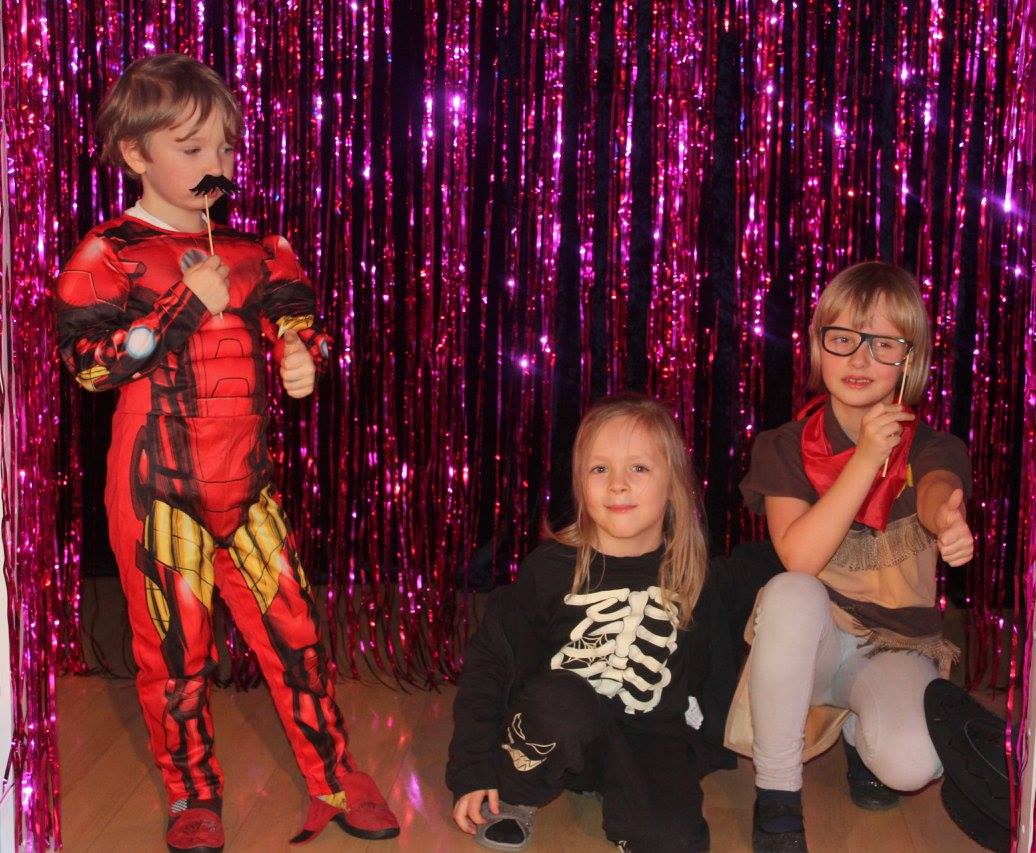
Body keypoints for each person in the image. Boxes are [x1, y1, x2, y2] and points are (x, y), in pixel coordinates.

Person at [55, 54, 399, 853]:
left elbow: (302, 324)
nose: (217, 165)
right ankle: (192, 794)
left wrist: (305, 355)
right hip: (155, 487)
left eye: (226, 148)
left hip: (247, 485)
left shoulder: (256, 249)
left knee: (297, 633)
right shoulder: (107, 251)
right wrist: (181, 305)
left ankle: (336, 776)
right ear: (135, 152)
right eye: (192, 148)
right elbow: (90, 364)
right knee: (174, 651)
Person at [447, 394, 780, 852]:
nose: (618, 485)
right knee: (559, 700)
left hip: (652, 739)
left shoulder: (697, 576)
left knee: (675, 841)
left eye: (639, 468)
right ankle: (519, 793)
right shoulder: (550, 569)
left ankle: (629, 802)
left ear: (673, 486)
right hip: (557, 729)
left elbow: (786, 555)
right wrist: (473, 769)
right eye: (599, 469)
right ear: (580, 485)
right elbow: (490, 663)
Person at [737, 261, 974, 851]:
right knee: (790, 592)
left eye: (884, 344)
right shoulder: (784, 447)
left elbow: (938, 487)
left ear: (910, 359)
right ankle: (778, 796)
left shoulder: (933, 445)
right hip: (811, 643)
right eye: (843, 338)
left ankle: (860, 738)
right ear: (818, 345)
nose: (860, 358)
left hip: (890, 645)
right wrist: (866, 457)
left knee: (913, 765)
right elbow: (799, 556)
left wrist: (946, 518)